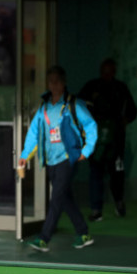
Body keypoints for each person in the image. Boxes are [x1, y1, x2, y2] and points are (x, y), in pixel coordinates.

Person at [19, 66, 98, 252]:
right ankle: (83, 233)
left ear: (63, 83)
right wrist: (24, 155)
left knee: (56, 198)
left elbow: (91, 126)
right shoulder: (44, 107)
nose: (53, 85)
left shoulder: (73, 104)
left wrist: (86, 151)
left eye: (57, 81)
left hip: (67, 158)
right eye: (50, 81)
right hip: (50, 159)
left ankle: (44, 238)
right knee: (65, 198)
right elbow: (33, 132)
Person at [79, 58, 137, 221]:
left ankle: (118, 203)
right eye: (104, 71)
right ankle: (96, 209)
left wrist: (122, 123)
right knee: (96, 173)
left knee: (116, 173)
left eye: (109, 71)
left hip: (115, 140)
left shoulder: (120, 88)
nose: (106, 74)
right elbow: (79, 105)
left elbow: (132, 111)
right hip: (96, 139)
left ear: (114, 72)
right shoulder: (91, 87)